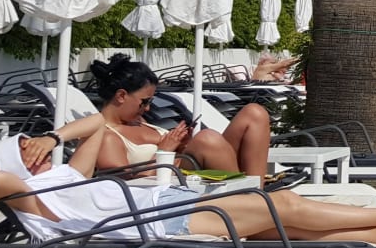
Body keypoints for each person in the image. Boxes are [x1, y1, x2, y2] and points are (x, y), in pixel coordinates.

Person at [0, 129, 376, 246]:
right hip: (160, 221)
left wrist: (52, 138)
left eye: (31, 142)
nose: (33, 148)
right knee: (281, 203)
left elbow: (98, 129)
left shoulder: (64, 176)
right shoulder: (31, 197)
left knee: (279, 227)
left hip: (171, 204)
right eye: (23, 148)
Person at [24, 55, 271, 179]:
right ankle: (251, 199)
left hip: (194, 168)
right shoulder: (107, 137)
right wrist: (164, 151)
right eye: (144, 101)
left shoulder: (139, 121)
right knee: (207, 138)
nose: (148, 108)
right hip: (177, 185)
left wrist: (182, 144)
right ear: (121, 96)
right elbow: (126, 181)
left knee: (254, 113)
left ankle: (255, 190)